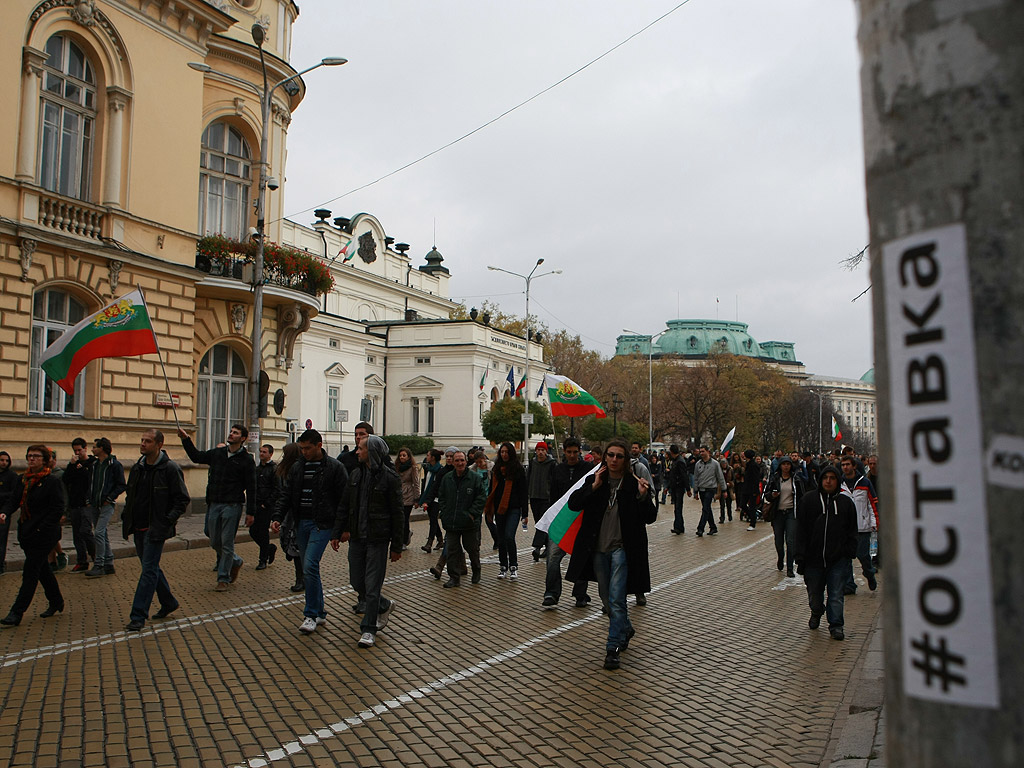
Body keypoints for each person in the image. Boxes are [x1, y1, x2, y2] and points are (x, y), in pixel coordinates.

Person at [565, 439, 656, 670]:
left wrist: (643, 496)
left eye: (619, 456)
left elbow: (650, 517)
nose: (614, 460)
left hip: (622, 549)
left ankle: (612, 648)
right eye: (611, 455)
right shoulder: (596, 480)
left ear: (626, 461)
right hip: (597, 549)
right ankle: (625, 627)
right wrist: (593, 487)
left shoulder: (634, 483)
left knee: (617, 598)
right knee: (606, 598)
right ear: (604, 457)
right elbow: (574, 504)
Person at [272, 429, 348, 634]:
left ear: (319, 445)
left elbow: (344, 500)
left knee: (310, 565)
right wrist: (278, 516)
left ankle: (311, 614)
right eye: (302, 448)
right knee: (310, 569)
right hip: (301, 523)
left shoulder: (334, 467)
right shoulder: (298, 467)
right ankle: (320, 612)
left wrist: (343, 529)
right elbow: (286, 494)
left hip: (322, 524)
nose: (304, 452)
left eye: (307, 448)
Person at [331, 434, 403, 648]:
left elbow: (398, 514)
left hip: (377, 539)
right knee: (356, 582)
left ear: (371, 452)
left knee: (372, 586)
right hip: (357, 538)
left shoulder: (390, 478)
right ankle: (384, 604)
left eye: (361, 448)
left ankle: (368, 629)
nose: (357, 452)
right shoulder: (354, 475)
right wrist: (337, 532)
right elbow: (344, 505)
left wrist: (396, 546)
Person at [122, 429, 190, 631]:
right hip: (139, 526)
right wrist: (127, 517)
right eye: (142, 440)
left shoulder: (169, 469)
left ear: (159, 444)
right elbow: (131, 496)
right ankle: (168, 602)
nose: (143, 444)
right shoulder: (138, 468)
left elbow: (182, 500)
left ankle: (138, 615)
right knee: (149, 567)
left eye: (148, 441)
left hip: (156, 528)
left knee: (149, 571)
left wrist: (167, 521)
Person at [178, 424, 256, 591]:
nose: (231, 434)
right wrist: (186, 439)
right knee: (214, 541)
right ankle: (236, 561)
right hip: (214, 503)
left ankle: (223, 578)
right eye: (231, 432)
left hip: (232, 505)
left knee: (227, 542)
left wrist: (250, 512)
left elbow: (251, 487)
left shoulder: (246, 460)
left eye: (235, 433)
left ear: (242, 439)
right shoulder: (217, 454)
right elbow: (196, 457)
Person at [1, 445, 66, 626]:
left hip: (44, 534)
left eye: (36, 456)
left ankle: (16, 612)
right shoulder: (23, 480)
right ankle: (56, 601)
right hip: (27, 532)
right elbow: (13, 501)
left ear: (44, 460)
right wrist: (4, 513)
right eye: (29, 456)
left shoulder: (51, 481)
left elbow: (57, 508)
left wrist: (41, 528)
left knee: (30, 572)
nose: (31, 459)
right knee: (42, 569)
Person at [794, 465, 858, 640]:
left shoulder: (845, 503)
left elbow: (852, 529)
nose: (828, 481)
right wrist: (800, 555)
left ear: (837, 481)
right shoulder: (809, 501)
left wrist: (849, 551)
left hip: (837, 559)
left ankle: (836, 625)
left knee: (836, 594)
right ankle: (816, 611)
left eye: (832, 478)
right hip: (813, 559)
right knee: (815, 594)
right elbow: (800, 529)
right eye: (825, 478)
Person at [542, 437, 593, 608]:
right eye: (568, 452)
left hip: (581, 520)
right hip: (561, 521)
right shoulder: (558, 469)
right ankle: (551, 593)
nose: (572, 455)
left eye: (575, 452)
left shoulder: (588, 469)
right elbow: (554, 497)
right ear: (564, 451)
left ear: (580, 451)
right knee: (553, 558)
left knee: (581, 559)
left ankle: (580, 594)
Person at [437, 450, 486, 587]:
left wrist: (472, 514)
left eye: (462, 460)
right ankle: (454, 577)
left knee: (472, 548)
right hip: (451, 522)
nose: (459, 463)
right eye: (457, 460)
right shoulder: (447, 478)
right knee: (452, 550)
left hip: (469, 522)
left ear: (466, 461)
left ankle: (476, 569)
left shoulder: (475, 478)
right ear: (452, 462)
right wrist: (444, 512)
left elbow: (481, 498)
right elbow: (442, 497)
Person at [485, 442, 527, 581]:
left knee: (509, 536)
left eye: (506, 452)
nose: (504, 454)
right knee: (501, 539)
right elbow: (492, 490)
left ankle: (513, 566)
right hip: (499, 508)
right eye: (502, 452)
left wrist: (525, 514)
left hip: (514, 508)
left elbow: (523, 492)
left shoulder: (517, 469)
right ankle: (503, 567)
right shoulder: (497, 469)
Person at [84, 437, 126, 578]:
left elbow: (121, 484)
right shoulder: (95, 464)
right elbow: (90, 483)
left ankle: (99, 564)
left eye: (95, 447)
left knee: (99, 533)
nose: (92, 449)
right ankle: (109, 563)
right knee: (102, 533)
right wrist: (88, 499)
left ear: (102, 448)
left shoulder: (114, 464)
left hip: (107, 504)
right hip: (94, 503)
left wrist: (109, 498)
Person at [839, 455, 879, 593]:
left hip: (863, 526)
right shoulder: (840, 484)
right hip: (845, 528)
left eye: (848, 464)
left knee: (863, 555)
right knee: (845, 558)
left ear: (854, 466)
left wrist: (874, 522)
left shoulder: (865, 482)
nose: (845, 467)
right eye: (843, 465)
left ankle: (869, 573)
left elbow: (872, 503)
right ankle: (849, 585)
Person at [763, 456, 806, 577]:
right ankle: (780, 558)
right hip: (777, 513)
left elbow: (802, 496)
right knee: (778, 540)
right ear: (780, 466)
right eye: (784, 464)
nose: (786, 466)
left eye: (788, 464)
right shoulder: (775, 478)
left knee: (791, 541)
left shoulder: (796, 479)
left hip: (791, 512)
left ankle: (790, 568)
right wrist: (772, 495)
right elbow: (766, 494)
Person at [273, 443, 306, 593]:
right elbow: (282, 494)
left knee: (297, 546)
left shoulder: (300, 469)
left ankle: (302, 578)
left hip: (299, 514)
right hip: (288, 513)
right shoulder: (281, 470)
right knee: (289, 543)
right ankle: (301, 577)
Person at [63, 438, 95, 572]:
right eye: (75, 450)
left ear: (85, 448)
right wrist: (71, 465)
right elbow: (66, 480)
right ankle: (82, 561)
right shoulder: (73, 464)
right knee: (77, 534)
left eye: (79, 450)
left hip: (87, 503)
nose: (77, 453)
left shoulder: (92, 463)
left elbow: (90, 480)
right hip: (75, 503)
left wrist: (81, 469)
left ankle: (96, 557)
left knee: (86, 531)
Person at [250, 444, 279, 570]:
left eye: (264, 452)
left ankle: (263, 560)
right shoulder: (257, 469)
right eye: (260, 451)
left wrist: (267, 503)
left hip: (267, 506)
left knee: (262, 532)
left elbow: (277, 489)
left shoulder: (274, 469)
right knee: (253, 531)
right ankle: (269, 548)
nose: (261, 454)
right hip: (256, 504)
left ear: (270, 454)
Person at [527, 441, 555, 562]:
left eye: (543, 450)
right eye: (538, 450)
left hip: (546, 498)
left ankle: (537, 548)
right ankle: (548, 546)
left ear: (546, 451)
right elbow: (528, 478)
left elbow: (554, 481)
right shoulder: (532, 463)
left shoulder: (552, 464)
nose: (540, 452)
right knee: (539, 522)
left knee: (542, 524)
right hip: (534, 497)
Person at [692, 446, 725, 537]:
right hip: (701, 489)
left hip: (710, 489)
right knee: (707, 509)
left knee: (705, 508)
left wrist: (724, 489)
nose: (701, 453)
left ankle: (700, 528)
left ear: (708, 452)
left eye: (703, 451)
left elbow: (720, 477)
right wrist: (695, 491)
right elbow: (696, 478)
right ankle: (713, 527)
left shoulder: (715, 464)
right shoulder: (698, 464)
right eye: (700, 452)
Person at [418, 449, 444, 553]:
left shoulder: (439, 470)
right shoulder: (428, 468)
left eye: (428, 455)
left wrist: (429, 499)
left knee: (433, 519)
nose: (426, 457)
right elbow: (426, 484)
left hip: (435, 499)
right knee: (432, 520)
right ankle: (440, 539)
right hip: (427, 498)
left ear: (433, 457)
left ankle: (429, 542)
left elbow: (436, 487)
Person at [395, 447, 419, 550]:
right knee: (398, 519)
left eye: (404, 455)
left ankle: (404, 541)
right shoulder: (396, 466)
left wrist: (417, 498)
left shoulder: (413, 468)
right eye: (400, 455)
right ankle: (401, 538)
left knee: (404, 519)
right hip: (398, 494)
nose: (402, 457)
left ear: (408, 457)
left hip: (408, 495)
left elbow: (416, 482)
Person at [667, 445, 691, 534]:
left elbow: (684, 476)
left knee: (678, 507)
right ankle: (679, 526)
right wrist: (668, 487)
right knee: (677, 508)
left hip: (679, 487)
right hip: (675, 487)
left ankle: (678, 527)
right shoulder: (675, 461)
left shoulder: (680, 461)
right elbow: (672, 476)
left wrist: (688, 489)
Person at [0, 451, 16, 574]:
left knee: (2, 539)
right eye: (2, 460)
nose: (4, 462)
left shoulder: (12, 476)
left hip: (4, 511)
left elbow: (14, 494)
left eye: (6, 460)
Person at [742, 450, 765, 530]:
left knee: (752, 506)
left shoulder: (753, 465)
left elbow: (756, 478)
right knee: (743, 504)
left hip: (752, 489)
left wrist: (755, 490)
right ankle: (753, 516)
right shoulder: (748, 464)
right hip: (746, 488)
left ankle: (753, 523)